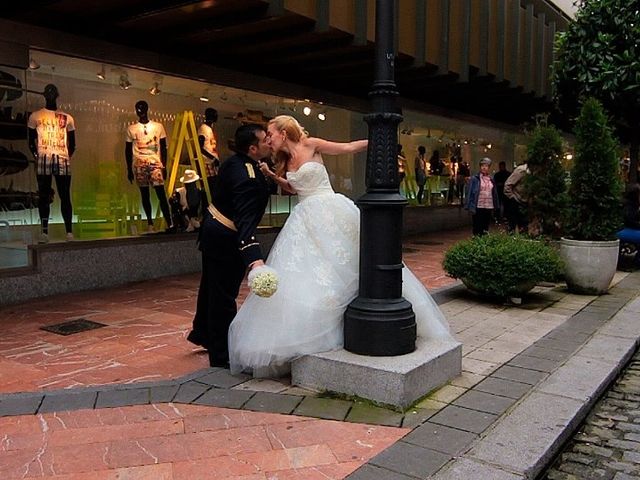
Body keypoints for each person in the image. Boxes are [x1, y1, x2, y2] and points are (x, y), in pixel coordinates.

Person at [228, 115, 454, 377]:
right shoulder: (283, 161)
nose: (268, 139)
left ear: (283, 130)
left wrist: (376, 142)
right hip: (304, 217)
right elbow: (292, 187)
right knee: (309, 269)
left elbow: (346, 148)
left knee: (351, 258)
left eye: (270, 133)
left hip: (330, 208)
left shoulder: (310, 144)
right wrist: (272, 176)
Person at [187, 123, 273, 367]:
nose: (269, 141)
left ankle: (202, 333)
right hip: (226, 238)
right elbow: (244, 223)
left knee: (210, 288)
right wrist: (254, 259)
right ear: (253, 148)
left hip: (213, 229)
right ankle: (221, 354)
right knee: (223, 297)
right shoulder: (247, 177)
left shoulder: (233, 162)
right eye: (265, 140)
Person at [27, 84, 76, 243]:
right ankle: (45, 231)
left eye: (53, 92)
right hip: (44, 158)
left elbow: (73, 143)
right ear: (44, 94)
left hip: (62, 159)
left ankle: (69, 231)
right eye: (48, 92)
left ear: (57, 95)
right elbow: (31, 140)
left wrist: (66, 156)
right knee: (44, 196)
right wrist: (37, 155)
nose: (50, 94)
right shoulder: (36, 116)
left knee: (64, 195)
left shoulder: (67, 118)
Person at [125, 100, 174, 233]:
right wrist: (129, 169)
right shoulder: (131, 128)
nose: (139, 111)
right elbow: (128, 150)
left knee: (161, 194)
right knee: (144, 195)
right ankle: (150, 224)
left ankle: (170, 223)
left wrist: (164, 166)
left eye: (141, 108)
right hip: (139, 165)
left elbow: (163, 147)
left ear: (147, 109)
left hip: (155, 164)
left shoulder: (158, 126)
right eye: (137, 109)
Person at [465, 157, 499, 236]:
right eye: (482, 166)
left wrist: (496, 206)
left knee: (485, 227)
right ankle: (476, 243)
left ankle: (484, 244)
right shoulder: (475, 179)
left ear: (489, 168)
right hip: (478, 205)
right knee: (477, 227)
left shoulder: (491, 179)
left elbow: (494, 193)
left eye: (486, 166)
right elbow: (469, 192)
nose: (484, 168)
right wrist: (468, 205)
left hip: (488, 205)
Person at [616, 183, 640, 268]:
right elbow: (630, 221)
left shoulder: (630, 204)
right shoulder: (629, 205)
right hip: (621, 230)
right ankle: (637, 261)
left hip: (624, 229)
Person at [198, 107, 220, 193]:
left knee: (214, 185)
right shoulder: (203, 129)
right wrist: (212, 158)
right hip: (207, 162)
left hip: (212, 161)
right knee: (211, 186)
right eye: (215, 115)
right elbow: (200, 148)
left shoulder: (209, 129)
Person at [503, 162, 530, 234]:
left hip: (525, 202)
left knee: (524, 227)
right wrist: (512, 198)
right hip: (515, 200)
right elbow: (508, 185)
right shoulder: (521, 170)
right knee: (511, 226)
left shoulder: (534, 172)